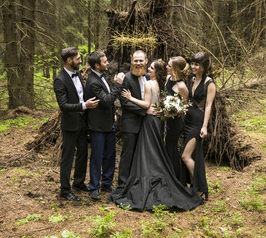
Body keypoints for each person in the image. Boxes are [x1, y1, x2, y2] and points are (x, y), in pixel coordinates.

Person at [108, 59, 203, 211]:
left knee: (148, 151)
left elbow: (147, 105)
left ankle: (147, 176)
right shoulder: (162, 84)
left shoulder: (149, 83)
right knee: (156, 148)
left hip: (149, 121)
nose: (148, 70)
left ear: (155, 71)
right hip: (158, 122)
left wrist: (130, 97)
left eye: (151, 68)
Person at [53, 47, 99, 201]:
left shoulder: (78, 74)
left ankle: (78, 183)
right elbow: (63, 106)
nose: (80, 61)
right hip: (70, 124)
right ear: (69, 60)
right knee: (68, 157)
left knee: (83, 153)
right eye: (78, 59)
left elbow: (81, 95)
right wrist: (84, 106)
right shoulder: (60, 80)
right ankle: (65, 191)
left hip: (82, 122)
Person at [85, 51, 124, 200]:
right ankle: (94, 187)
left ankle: (107, 182)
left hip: (108, 123)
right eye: (105, 61)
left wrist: (112, 113)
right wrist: (118, 86)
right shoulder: (93, 82)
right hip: (97, 126)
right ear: (97, 65)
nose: (108, 63)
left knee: (110, 154)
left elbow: (105, 103)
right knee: (97, 156)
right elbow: (107, 99)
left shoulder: (101, 77)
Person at [181, 51, 216, 201]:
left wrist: (204, 126)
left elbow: (208, 106)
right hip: (187, 121)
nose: (193, 66)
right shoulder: (192, 79)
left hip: (197, 123)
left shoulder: (210, 83)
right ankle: (193, 187)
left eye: (196, 64)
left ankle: (201, 186)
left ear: (203, 66)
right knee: (189, 155)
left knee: (185, 156)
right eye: (192, 63)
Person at [117, 50, 149, 189]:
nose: (138, 63)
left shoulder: (149, 77)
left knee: (142, 153)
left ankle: (138, 180)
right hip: (130, 123)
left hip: (147, 124)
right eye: (135, 61)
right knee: (128, 153)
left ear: (146, 61)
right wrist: (144, 111)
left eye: (140, 60)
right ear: (131, 61)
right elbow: (125, 103)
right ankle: (123, 183)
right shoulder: (126, 79)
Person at [164, 56, 189, 183]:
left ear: (175, 68)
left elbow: (185, 106)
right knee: (165, 147)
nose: (167, 67)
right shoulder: (168, 79)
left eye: (169, 65)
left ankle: (177, 179)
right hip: (165, 120)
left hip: (175, 123)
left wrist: (173, 112)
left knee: (171, 147)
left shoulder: (182, 86)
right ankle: (167, 175)